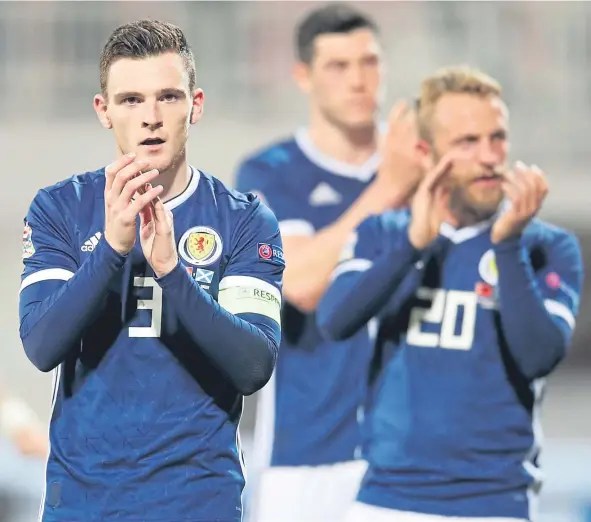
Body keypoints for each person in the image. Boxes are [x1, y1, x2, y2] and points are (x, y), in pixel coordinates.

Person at [18, 20, 284, 522]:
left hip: (199, 504)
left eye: (168, 96)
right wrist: (113, 250)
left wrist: (171, 272)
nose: (151, 118)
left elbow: (253, 367)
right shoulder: (60, 209)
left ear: (195, 105)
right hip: (83, 505)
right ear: (104, 111)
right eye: (131, 100)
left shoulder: (244, 219)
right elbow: (41, 345)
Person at [317, 66, 583, 522]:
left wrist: (507, 244)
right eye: (467, 142)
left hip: (495, 502)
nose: (489, 157)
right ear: (427, 152)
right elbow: (335, 320)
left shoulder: (545, 246)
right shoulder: (385, 233)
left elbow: (539, 356)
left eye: (497, 138)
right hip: (386, 498)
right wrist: (413, 248)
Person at [235, 4, 421, 522]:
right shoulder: (271, 173)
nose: (360, 81)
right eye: (339, 67)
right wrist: (390, 189)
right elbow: (300, 283)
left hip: (413, 459)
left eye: (370, 63)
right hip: (308, 459)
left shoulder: (422, 165)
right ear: (303, 76)